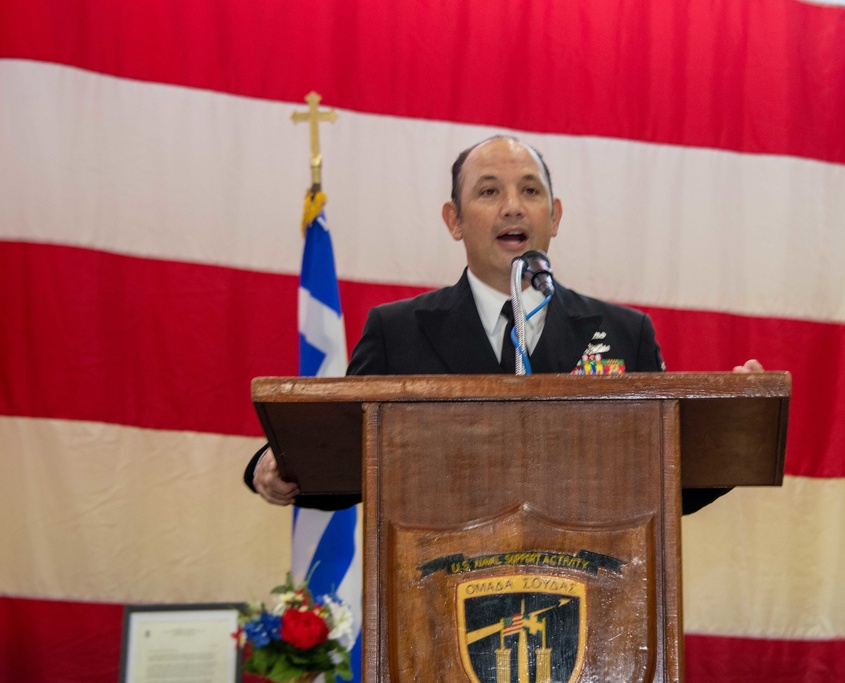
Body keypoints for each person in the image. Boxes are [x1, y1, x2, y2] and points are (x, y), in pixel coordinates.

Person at [246, 135, 762, 512]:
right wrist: (275, 464)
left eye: (531, 192)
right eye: (489, 192)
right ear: (454, 219)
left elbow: (665, 482)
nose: (513, 207)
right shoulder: (397, 331)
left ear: (555, 216)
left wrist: (733, 428)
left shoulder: (626, 332)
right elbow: (343, 459)